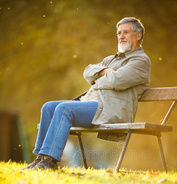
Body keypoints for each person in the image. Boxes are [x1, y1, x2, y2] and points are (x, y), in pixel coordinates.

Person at [23, 17, 151, 170]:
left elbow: (117, 81)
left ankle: (50, 162)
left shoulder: (141, 61)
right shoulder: (110, 59)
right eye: (119, 33)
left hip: (109, 109)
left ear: (138, 36)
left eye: (126, 32)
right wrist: (104, 71)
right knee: (48, 107)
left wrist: (99, 78)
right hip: (90, 103)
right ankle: (41, 158)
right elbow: (88, 72)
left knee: (65, 109)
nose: (121, 36)